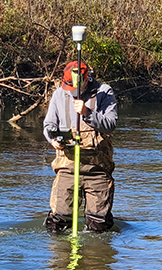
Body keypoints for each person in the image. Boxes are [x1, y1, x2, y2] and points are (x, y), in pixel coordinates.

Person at [43, 61, 118, 233]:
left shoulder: (104, 92)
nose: (69, 91)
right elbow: (48, 125)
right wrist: (53, 140)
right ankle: (61, 255)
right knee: (58, 224)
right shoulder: (58, 95)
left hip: (97, 170)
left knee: (99, 225)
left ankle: (95, 257)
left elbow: (110, 124)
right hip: (67, 167)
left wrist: (87, 113)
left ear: (85, 80)